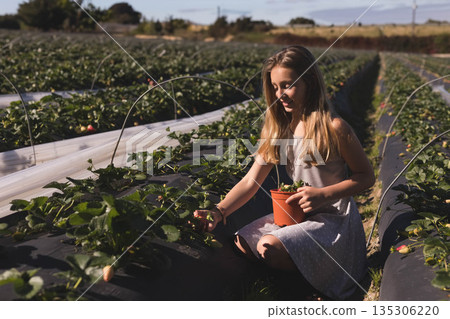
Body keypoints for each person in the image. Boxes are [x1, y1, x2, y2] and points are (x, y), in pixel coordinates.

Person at [193, 45, 375, 300]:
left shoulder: (333, 127)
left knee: (268, 247)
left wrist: (323, 194)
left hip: (334, 221)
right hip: (298, 215)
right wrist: (218, 211)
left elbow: (366, 176)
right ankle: (297, 274)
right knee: (241, 243)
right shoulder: (280, 129)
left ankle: (307, 290)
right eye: (275, 87)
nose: (280, 95)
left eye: (287, 85)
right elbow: (250, 182)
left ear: (310, 81)